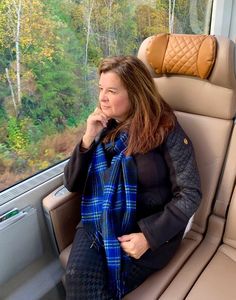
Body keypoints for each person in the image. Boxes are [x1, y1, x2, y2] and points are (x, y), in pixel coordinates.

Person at [64, 55, 202, 300]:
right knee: (76, 279)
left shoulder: (165, 128)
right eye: (100, 89)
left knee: (101, 289)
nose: (102, 98)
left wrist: (149, 237)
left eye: (112, 91)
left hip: (145, 233)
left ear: (135, 93)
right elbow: (72, 183)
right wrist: (87, 138)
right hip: (99, 221)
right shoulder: (102, 127)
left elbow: (190, 193)